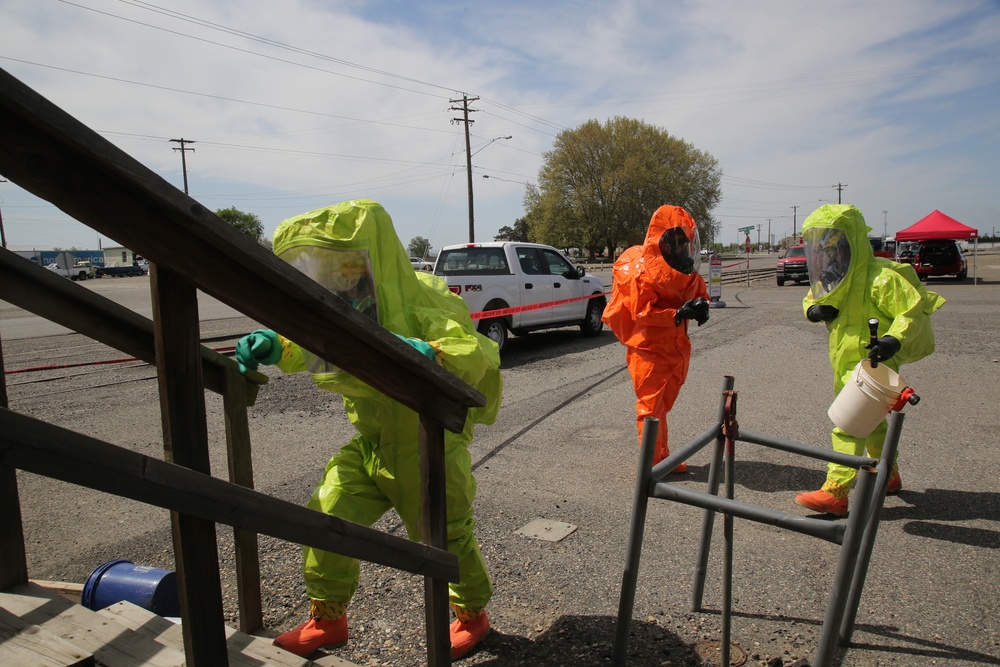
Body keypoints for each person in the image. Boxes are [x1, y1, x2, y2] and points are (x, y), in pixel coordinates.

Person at [235, 199, 502, 660]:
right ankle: (328, 620)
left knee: (447, 535)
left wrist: (431, 352)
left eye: (344, 266)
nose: (337, 280)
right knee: (328, 511)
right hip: (374, 443)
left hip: (430, 444)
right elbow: (323, 344)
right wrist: (277, 346)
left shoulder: (426, 297)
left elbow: (478, 354)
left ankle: (473, 616)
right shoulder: (348, 300)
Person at [796, 204, 945, 515]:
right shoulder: (837, 277)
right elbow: (813, 297)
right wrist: (813, 310)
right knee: (872, 422)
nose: (831, 254)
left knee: (848, 422)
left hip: (874, 362)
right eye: (826, 247)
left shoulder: (881, 278)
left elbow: (912, 312)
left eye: (836, 245)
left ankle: (836, 491)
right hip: (844, 362)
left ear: (851, 241)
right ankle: (888, 475)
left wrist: (894, 339)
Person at [602, 205, 710, 471]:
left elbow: (694, 288)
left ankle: (662, 457)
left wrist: (701, 305)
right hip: (647, 349)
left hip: (675, 347)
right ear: (664, 240)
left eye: (686, 242)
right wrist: (678, 313)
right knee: (651, 406)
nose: (684, 249)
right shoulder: (640, 271)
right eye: (678, 242)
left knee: (662, 406)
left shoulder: (679, 268)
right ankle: (651, 464)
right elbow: (641, 312)